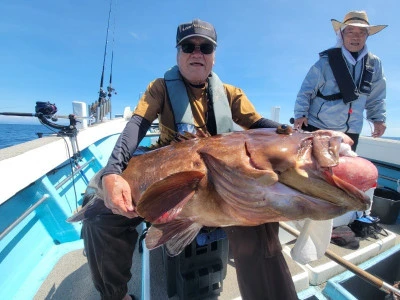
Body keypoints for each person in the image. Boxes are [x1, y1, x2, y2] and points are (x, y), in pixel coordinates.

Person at [81, 19, 298, 300]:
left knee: (263, 222)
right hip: (167, 178)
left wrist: (294, 135)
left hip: (218, 184)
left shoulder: (232, 94)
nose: (197, 53)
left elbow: (260, 126)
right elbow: (136, 127)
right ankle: (115, 295)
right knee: (99, 219)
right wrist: (112, 172)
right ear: (178, 53)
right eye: (188, 46)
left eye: (205, 47)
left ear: (213, 56)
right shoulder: (159, 88)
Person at [293, 10, 387, 151]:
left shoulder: (375, 63)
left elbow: (377, 96)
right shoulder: (326, 61)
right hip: (318, 126)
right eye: (350, 31)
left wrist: (378, 119)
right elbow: (306, 90)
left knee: (341, 170)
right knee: (312, 169)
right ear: (341, 34)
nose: (356, 36)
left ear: (367, 36)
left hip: (351, 131)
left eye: (362, 32)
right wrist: (300, 114)